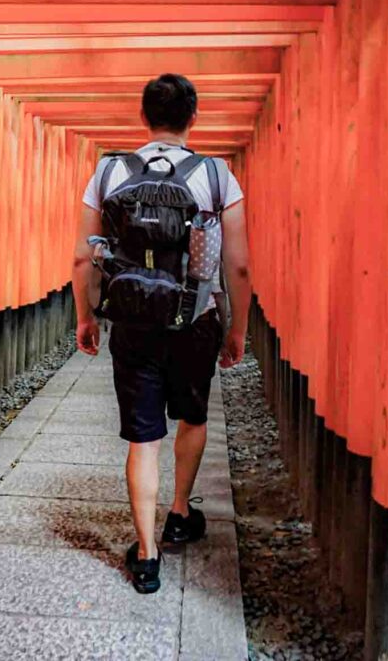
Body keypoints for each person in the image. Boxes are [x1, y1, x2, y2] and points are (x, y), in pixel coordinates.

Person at [71, 73, 252, 594]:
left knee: (143, 435)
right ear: (194, 117)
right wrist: (236, 327)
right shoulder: (217, 176)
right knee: (192, 416)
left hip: (131, 322)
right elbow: (236, 265)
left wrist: (86, 316)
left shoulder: (108, 172)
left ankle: (146, 555)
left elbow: (85, 253)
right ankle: (178, 513)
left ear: (143, 116)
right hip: (195, 319)